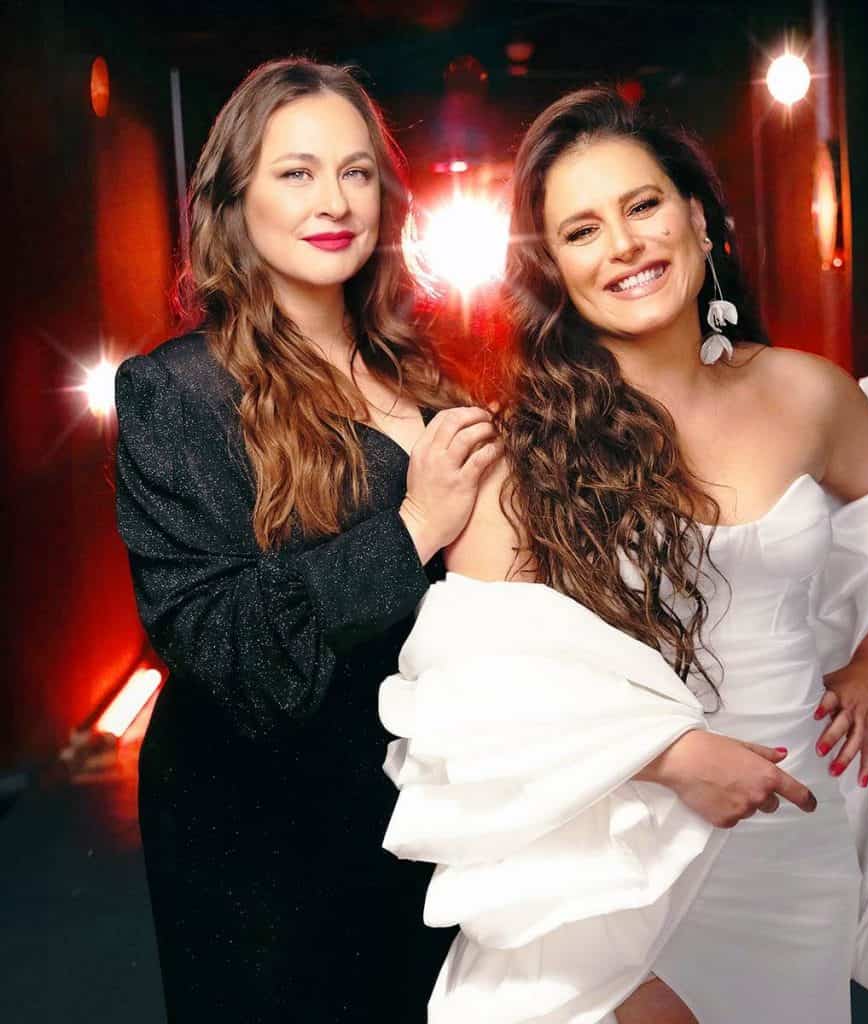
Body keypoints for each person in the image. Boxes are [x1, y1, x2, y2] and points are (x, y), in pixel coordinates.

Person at [379, 87, 868, 1023]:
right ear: (554, 270)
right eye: (582, 231)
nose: (624, 245)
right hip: (617, 861)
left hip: (794, 838)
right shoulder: (522, 449)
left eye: (641, 205)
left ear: (698, 220)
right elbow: (475, 684)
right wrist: (673, 757)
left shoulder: (805, 392)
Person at [114, 58, 499, 1022]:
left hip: (428, 806)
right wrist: (414, 527)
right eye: (296, 172)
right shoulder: (179, 392)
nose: (334, 201)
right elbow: (222, 641)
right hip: (264, 841)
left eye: (357, 171)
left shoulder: (429, 369)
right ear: (234, 198)